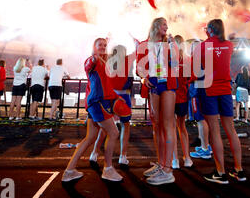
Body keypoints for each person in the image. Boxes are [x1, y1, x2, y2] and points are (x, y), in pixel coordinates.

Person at [62, 38, 128, 182]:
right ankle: (108, 169)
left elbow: (105, 86)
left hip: (96, 103)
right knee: (114, 132)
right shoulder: (92, 61)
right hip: (98, 103)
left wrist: (117, 97)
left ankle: (69, 170)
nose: (103, 47)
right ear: (94, 47)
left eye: (105, 45)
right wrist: (94, 57)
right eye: (100, 45)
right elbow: (88, 65)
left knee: (90, 137)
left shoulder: (103, 62)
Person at [197, 19, 245, 184]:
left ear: (210, 30)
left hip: (209, 90)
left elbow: (197, 70)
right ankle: (239, 170)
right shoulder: (229, 46)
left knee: (215, 132)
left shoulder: (202, 46)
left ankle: (220, 172)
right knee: (231, 130)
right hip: (225, 90)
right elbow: (225, 42)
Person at [136, 17, 179, 185]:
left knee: (168, 124)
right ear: (156, 26)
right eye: (163, 24)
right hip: (153, 84)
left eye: (167, 25)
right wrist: (142, 77)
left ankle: (168, 169)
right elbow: (139, 67)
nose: (166, 27)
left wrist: (173, 46)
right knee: (157, 125)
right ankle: (161, 164)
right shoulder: (145, 44)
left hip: (168, 84)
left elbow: (176, 63)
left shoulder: (169, 43)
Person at [89, 44, 135, 168]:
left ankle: (94, 153)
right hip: (123, 96)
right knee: (125, 126)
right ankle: (123, 157)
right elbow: (130, 81)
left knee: (105, 128)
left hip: (109, 97)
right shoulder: (127, 62)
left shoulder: (107, 62)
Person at [171, 35, 193, 169]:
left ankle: (175, 159)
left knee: (173, 127)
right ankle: (187, 158)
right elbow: (191, 77)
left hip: (172, 96)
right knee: (181, 126)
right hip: (182, 96)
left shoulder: (171, 59)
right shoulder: (187, 59)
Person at [189, 40, 212, 160]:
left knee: (200, 120)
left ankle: (205, 149)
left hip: (197, 91)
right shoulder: (206, 59)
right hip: (205, 90)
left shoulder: (196, 59)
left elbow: (192, 76)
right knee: (204, 120)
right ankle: (206, 145)